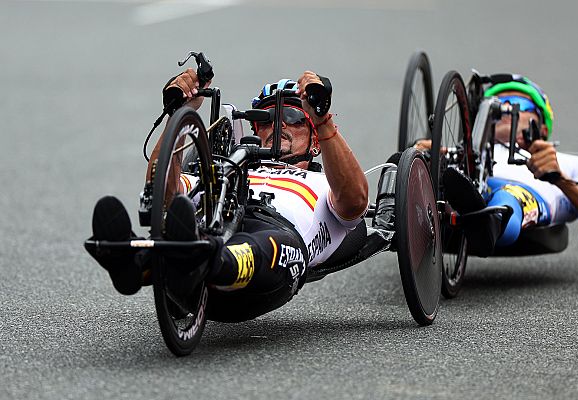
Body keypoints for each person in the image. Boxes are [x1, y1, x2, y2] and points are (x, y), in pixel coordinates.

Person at [89, 69, 369, 321]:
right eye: (267, 118)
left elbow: (355, 201)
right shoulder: (225, 170)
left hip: (276, 248)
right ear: (256, 129)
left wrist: (322, 120)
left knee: (265, 243)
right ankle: (135, 263)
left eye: (294, 117)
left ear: (315, 140)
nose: (278, 125)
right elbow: (165, 192)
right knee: (182, 212)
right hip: (216, 222)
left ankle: (204, 261)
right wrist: (179, 114)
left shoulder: (325, 182)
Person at [420, 74, 578, 255]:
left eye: (517, 104)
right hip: (466, 185)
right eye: (495, 104)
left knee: (509, 195)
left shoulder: (571, 165)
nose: (504, 108)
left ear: (543, 126)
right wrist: (427, 157)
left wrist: (560, 180)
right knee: (421, 161)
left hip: (519, 196)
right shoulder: (460, 154)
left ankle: (489, 223)